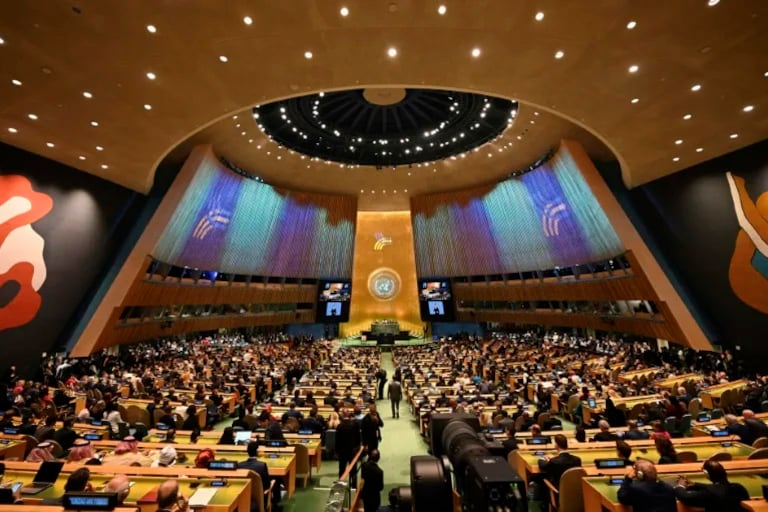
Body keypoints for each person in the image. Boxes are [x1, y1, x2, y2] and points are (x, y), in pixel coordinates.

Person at [674, 460, 750, 512]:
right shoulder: (739, 487)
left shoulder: (710, 492)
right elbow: (719, 487)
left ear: (706, 474)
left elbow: (685, 497)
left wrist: (680, 486)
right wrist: (695, 485)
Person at [238, 441, 281, 512]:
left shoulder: (240, 465)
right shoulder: (262, 465)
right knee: (275, 479)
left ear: (247, 452)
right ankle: (276, 506)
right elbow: (267, 485)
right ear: (257, 451)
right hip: (261, 498)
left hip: (244, 497)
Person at [336, 410, 361, 480]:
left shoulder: (339, 426)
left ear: (343, 416)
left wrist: (337, 451)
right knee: (353, 468)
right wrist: (358, 447)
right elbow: (358, 437)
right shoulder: (354, 425)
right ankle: (354, 484)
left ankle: (340, 482)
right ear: (349, 415)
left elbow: (337, 440)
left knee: (342, 469)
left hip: (342, 451)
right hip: (352, 450)